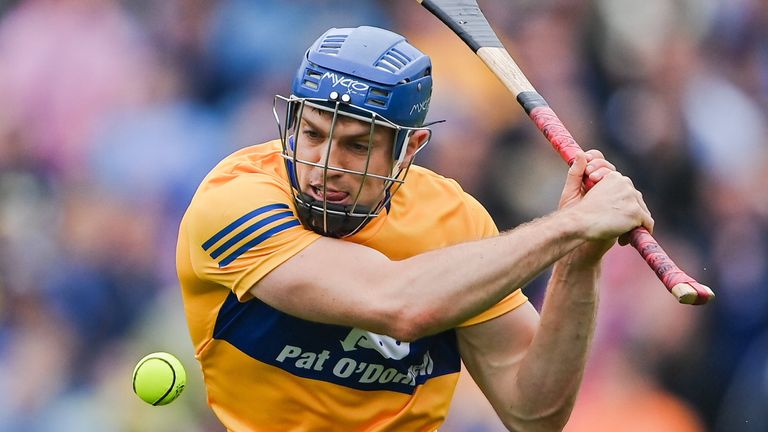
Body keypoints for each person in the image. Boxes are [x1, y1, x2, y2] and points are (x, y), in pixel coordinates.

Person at [176, 26, 653, 431]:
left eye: (356, 146)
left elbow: (533, 412)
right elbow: (397, 303)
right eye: (314, 134)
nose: (324, 166)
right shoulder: (235, 199)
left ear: (409, 148)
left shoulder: (453, 219)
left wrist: (580, 256)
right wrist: (568, 226)